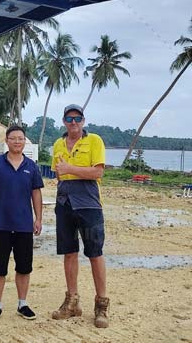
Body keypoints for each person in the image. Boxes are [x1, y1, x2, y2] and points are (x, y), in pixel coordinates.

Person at [50, 104, 110, 328]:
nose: (73, 122)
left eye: (77, 118)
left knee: (95, 253)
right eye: (69, 118)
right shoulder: (57, 144)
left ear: (83, 120)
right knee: (69, 253)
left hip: (89, 204)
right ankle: (72, 302)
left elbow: (98, 172)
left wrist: (70, 169)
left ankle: (101, 305)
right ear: (64, 121)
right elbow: (58, 173)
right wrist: (65, 174)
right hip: (64, 203)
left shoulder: (94, 141)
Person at [0, 124, 43, 321]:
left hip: (24, 224)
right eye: (13, 138)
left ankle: (22, 303)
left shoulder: (31, 166)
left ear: (25, 142)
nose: (17, 141)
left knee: (24, 266)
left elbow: (36, 193)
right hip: (0, 223)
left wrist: (38, 218)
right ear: (6, 141)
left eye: (20, 138)